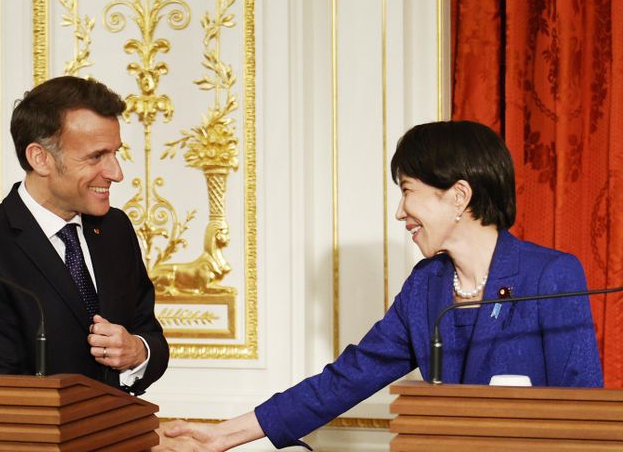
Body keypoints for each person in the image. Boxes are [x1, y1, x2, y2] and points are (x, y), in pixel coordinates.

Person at [158, 120, 603, 450]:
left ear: (459, 196)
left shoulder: (551, 276)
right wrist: (223, 435)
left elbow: (583, 415)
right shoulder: (426, 286)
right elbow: (348, 377)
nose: (400, 211)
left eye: (408, 190)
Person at [0, 76, 169, 395]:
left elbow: (150, 336)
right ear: (40, 158)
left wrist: (137, 352)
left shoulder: (115, 229)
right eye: (96, 156)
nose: (116, 173)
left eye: (115, 153)